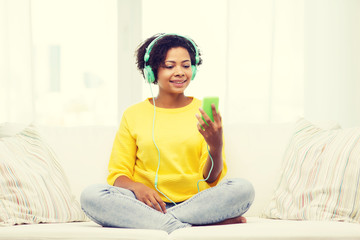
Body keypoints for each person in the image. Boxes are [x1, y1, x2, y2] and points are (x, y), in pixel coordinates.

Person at [80, 33, 255, 234]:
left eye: (186, 65)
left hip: (196, 203)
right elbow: (118, 175)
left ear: (194, 70)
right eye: (170, 66)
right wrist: (139, 188)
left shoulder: (203, 112)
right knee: (92, 195)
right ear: (151, 72)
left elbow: (210, 179)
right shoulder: (133, 114)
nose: (180, 72)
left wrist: (216, 147)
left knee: (243, 189)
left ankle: (163, 223)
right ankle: (191, 225)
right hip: (145, 205)